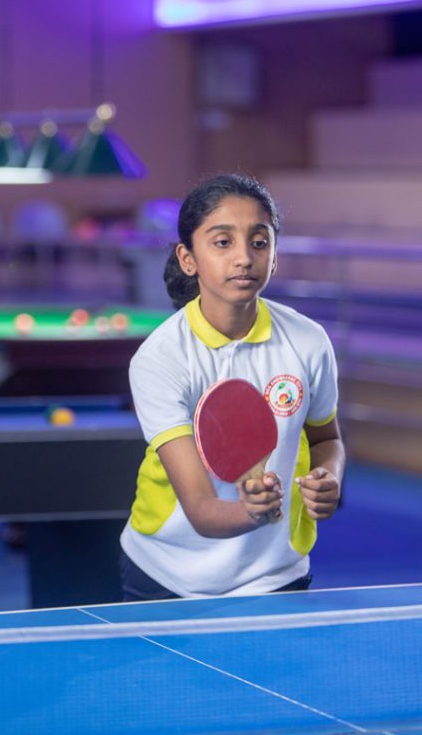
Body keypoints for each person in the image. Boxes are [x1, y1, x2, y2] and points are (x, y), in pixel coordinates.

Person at [119, 173, 345, 600]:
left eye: (259, 242)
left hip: (276, 574)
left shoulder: (309, 341)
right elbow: (202, 511)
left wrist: (328, 478)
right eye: (222, 242)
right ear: (188, 259)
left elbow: (326, 438)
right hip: (168, 575)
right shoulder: (160, 358)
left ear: (274, 257)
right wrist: (251, 512)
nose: (243, 257)